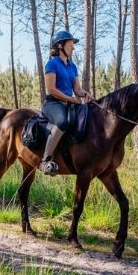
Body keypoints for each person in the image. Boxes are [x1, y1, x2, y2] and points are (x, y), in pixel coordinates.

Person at [40, 30, 92, 175]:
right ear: (60, 46)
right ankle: (45, 160)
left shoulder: (72, 66)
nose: (73, 48)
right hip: (53, 103)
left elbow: (77, 89)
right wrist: (72, 100)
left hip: (69, 103)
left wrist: (85, 94)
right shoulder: (52, 64)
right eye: (70, 45)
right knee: (62, 122)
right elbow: (52, 89)